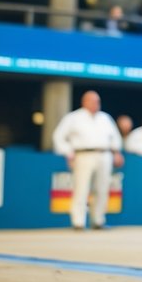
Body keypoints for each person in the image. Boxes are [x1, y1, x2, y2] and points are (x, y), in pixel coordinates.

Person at [51, 91, 124, 230]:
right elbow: (58, 137)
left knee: (102, 189)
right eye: (92, 101)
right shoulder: (73, 117)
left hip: (104, 155)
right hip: (82, 155)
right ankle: (78, 222)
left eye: (97, 101)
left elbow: (115, 137)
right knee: (81, 188)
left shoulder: (105, 118)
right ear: (84, 102)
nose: (95, 104)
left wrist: (116, 152)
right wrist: (68, 152)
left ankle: (98, 220)